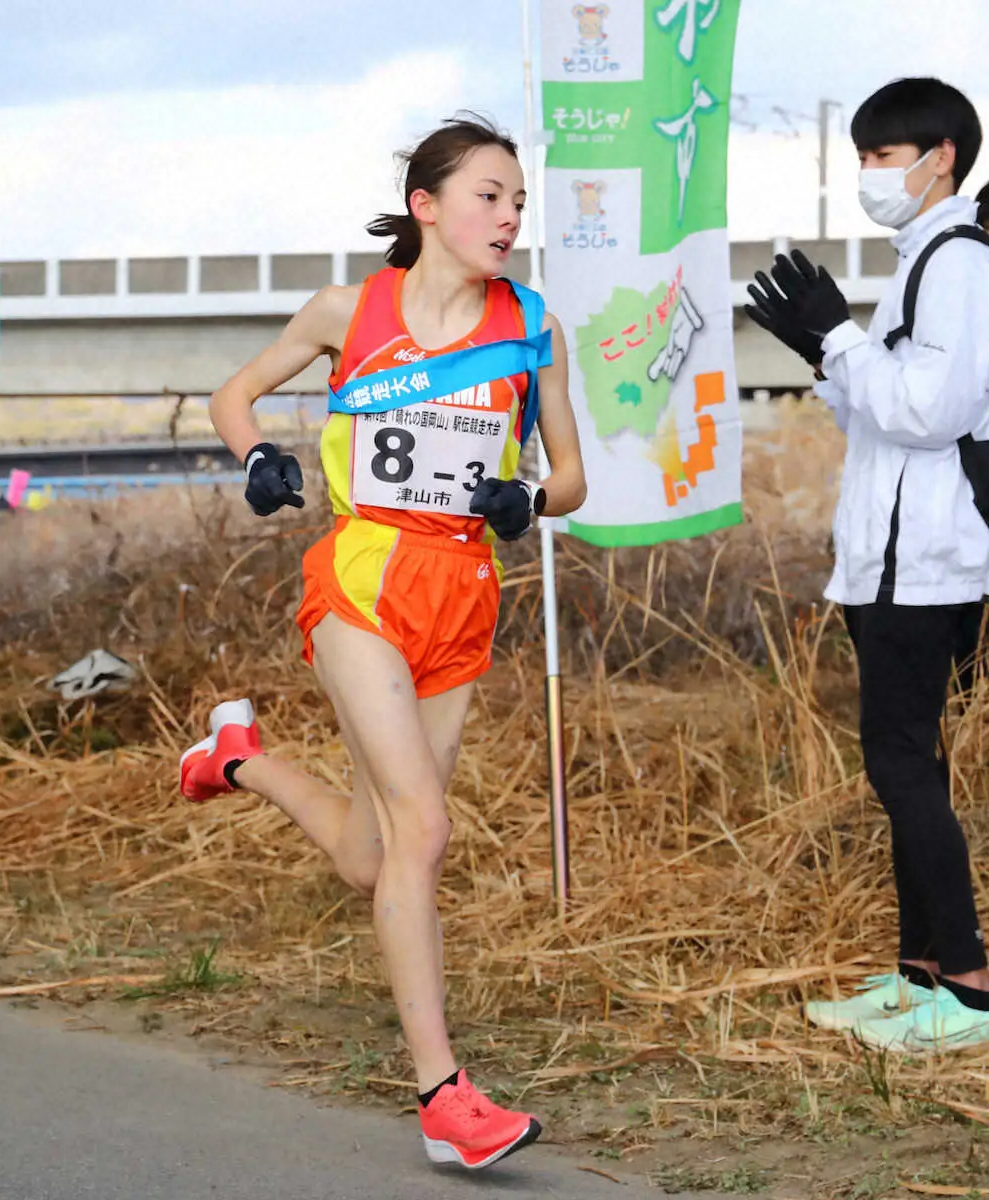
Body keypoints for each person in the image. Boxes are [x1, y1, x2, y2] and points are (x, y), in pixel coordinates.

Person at [179, 115, 586, 1167]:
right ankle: (444, 1098)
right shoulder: (345, 310)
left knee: (373, 858)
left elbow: (572, 476)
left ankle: (238, 760)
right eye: (488, 196)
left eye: (516, 202)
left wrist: (524, 501)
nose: (507, 216)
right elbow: (234, 394)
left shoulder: (531, 328)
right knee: (425, 828)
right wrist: (258, 457)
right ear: (426, 206)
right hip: (361, 578)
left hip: (462, 596)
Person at [746, 78, 989, 1052]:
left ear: (938, 155)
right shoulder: (918, 261)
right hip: (887, 555)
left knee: (899, 765)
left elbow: (931, 413)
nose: (867, 175)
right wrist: (822, 351)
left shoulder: (959, 264)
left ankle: (967, 986)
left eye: (881, 156)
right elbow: (876, 417)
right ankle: (915, 975)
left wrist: (841, 335)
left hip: (923, 559)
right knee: (905, 765)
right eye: (859, 157)